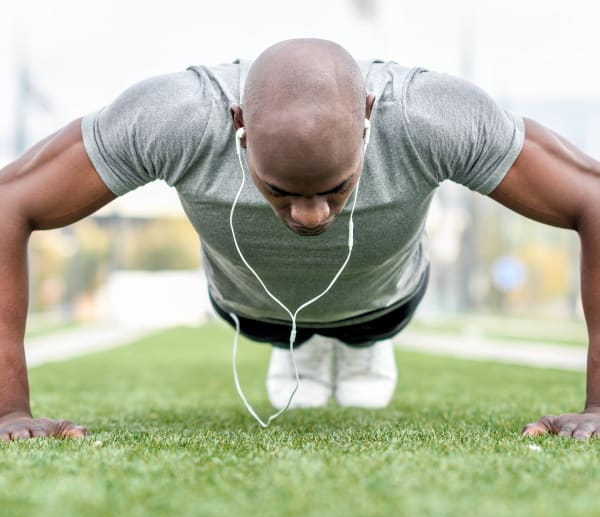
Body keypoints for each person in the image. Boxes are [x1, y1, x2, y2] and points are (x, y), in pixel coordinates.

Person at [1, 38, 599, 442]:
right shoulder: (175, 117)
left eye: (335, 189)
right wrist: (9, 411)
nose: (311, 217)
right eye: (282, 191)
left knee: (362, 331)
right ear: (238, 126)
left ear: (369, 116)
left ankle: (351, 346)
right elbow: (11, 203)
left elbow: (591, 198)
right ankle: (298, 346)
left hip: (383, 305)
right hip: (248, 309)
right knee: (279, 333)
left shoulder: (428, 115)